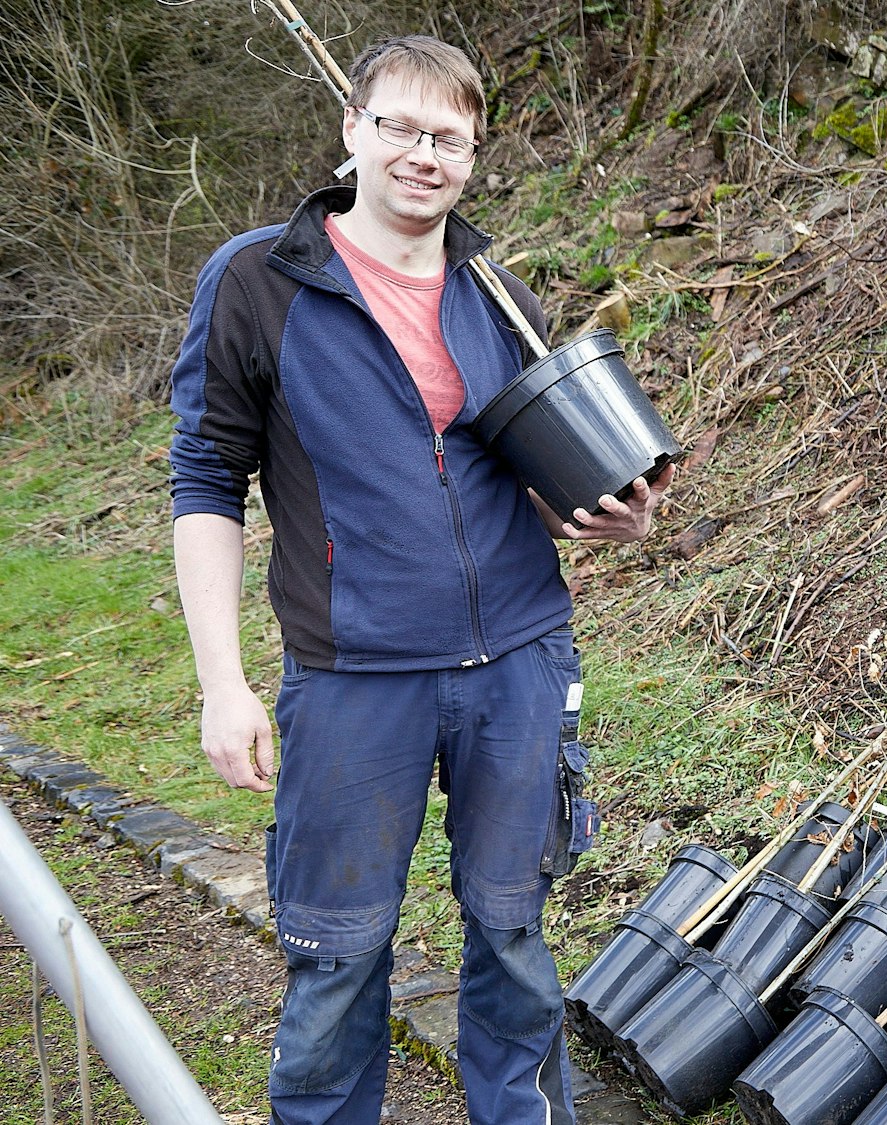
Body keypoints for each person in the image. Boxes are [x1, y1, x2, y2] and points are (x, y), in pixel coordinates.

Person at [168, 36, 667, 1125]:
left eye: (449, 137)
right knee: (338, 957)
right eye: (400, 126)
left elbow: (537, 481)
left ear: (474, 155)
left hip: (521, 666)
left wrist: (602, 519)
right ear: (353, 128)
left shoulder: (499, 292)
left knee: (512, 935)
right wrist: (222, 681)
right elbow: (207, 479)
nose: (423, 154)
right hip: (355, 678)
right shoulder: (260, 281)